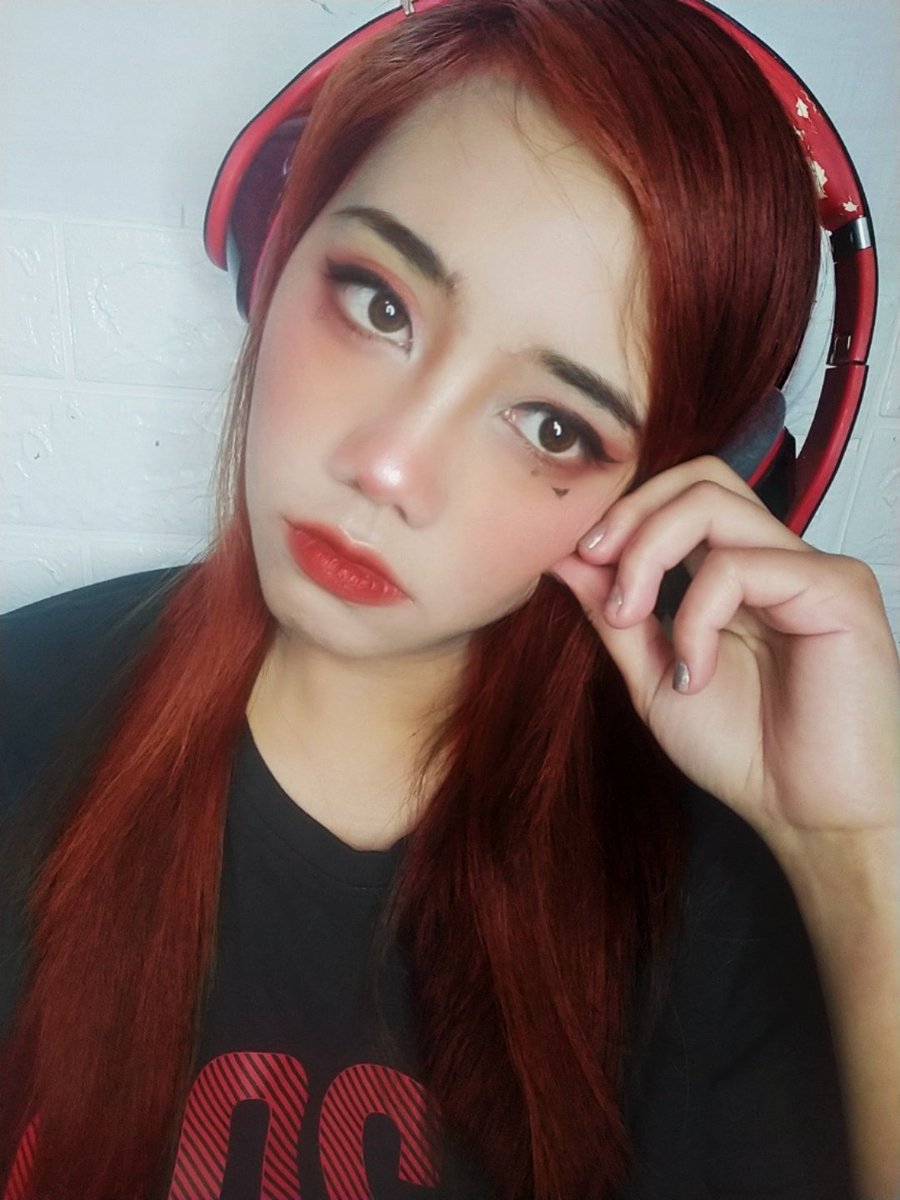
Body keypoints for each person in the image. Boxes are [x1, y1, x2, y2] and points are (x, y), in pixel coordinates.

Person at [1, 1, 898, 1197]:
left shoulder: (711, 899)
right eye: (380, 304)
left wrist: (855, 852)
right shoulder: (16, 715)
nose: (389, 467)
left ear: (671, 495)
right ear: (276, 250)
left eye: (555, 425)